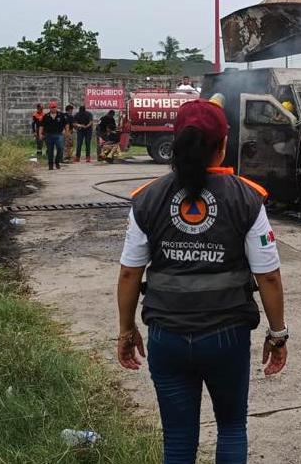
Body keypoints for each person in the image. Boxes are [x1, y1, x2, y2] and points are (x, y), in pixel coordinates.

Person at [117, 99, 288, 464]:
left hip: (166, 335)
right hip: (226, 335)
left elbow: (130, 271)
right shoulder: (246, 197)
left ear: (177, 141)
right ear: (223, 144)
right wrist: (277, 334)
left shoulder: (147, 198)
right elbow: (269, 275)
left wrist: (126, 329)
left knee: (178, 439)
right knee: (231, 427)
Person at [39, 100, 66, 170]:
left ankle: (57, 162)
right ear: (49, 108)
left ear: (56, 107)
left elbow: (66, 124)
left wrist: (65, 131)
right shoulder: (46, 116)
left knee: (60, 148)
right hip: (49, 135)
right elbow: (41, 126)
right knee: (50, 150)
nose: (53, 108)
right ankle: (50, 164)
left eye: (54, 107)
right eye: (52, 107)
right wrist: (40, 134)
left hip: (59, 135)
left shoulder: (61, 115)